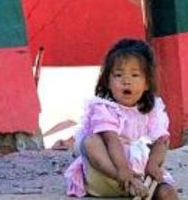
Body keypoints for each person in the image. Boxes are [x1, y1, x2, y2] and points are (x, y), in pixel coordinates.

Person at [64, 39, 178, 199]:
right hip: (108, 176)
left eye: (135, 75)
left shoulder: (153, 109)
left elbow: (161, 142)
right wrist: (124, 172)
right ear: (108, 82)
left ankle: (138, 186)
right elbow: (112, 141)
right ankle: (127, 183)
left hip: (143, 176)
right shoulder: (103, 108)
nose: (126, 80)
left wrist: (153, 164)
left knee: (168, 193)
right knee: (90, 141)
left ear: (147, 83)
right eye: (118, 75)